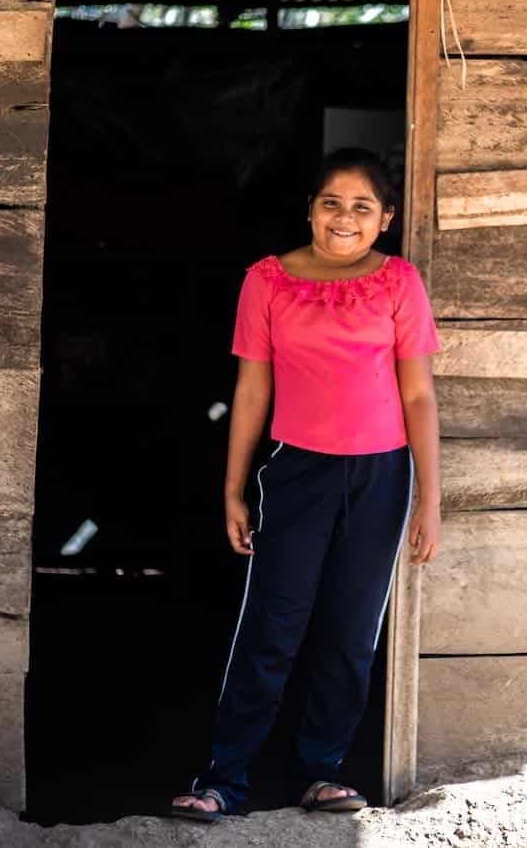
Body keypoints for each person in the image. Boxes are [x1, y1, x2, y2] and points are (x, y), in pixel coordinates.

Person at [170, 146, 443, 821]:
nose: (343, 218)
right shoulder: (267, 280)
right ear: (310, 210)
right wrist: (234, 488)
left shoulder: (399, 282)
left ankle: (322, 772)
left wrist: (430, 499)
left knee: (351, 632)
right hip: (295, 472)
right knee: (272, 626)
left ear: (384, 219)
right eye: (331, 203)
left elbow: (419, 397)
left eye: (361, 206)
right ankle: (223, 779)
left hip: (381, 477)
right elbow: (253, 388)